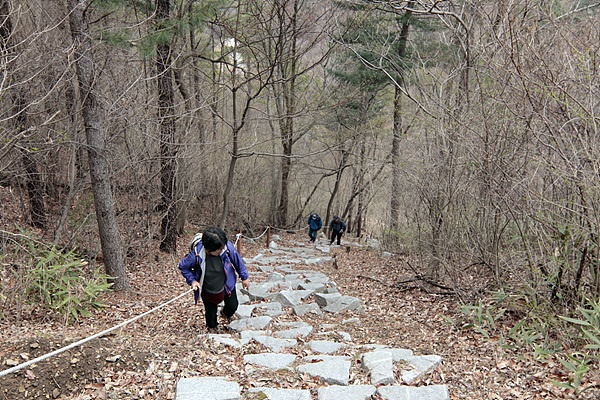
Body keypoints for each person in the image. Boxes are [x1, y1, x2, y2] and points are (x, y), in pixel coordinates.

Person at [178, 226, 250, 332]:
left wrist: (244, 277)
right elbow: (183, 267)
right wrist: (192, 281)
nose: (221, 250)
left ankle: (226, 314)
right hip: (207, 287)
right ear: (208, 249)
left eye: (222, 247)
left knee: (232, 306)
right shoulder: (196, 255)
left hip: (227, 283)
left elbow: (237, 260)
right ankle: (212, 328)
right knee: (210, 312)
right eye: (218, 250)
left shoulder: (226, 247)